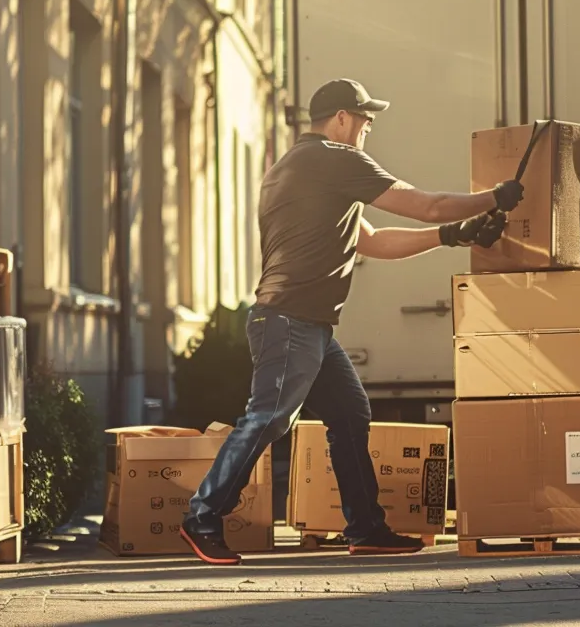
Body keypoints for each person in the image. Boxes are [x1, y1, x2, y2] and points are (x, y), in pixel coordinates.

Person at [178, 78, 525, 565]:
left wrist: (451, 235)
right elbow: (426, 204)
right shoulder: (334, 159)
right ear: (341, 118)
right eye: (365, 121)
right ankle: (203, 515)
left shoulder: (295, 168)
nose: (367, 130)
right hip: (289, 320)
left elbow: (374, 241)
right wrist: (492, 197)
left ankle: (366, 528)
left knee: (348, 412)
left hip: (307, 324)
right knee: (268, 418)